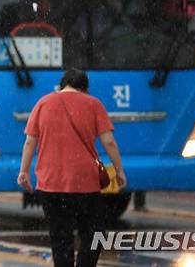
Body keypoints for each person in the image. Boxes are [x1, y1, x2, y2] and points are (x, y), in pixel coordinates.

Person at [17, 69, 127, 267]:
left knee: (60, 237)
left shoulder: (43, 103)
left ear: (62, 85)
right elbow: (109, 142)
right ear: (84, 88)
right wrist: (119, 170)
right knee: (94, 233)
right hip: (84, 183)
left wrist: (24, 171)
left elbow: (29, 142)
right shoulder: (93, 104)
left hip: (50, 184)